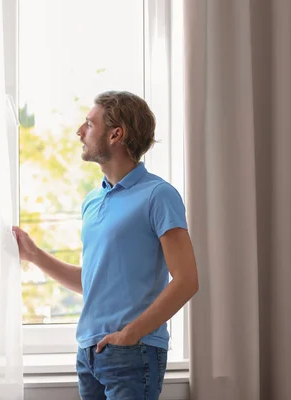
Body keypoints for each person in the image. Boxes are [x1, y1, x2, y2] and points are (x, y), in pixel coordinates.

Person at [12, 90, 199, 400]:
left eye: (89, 123)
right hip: (89, 353)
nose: (79, 132)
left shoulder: (158, 195)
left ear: (116, 134)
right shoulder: (92, 201)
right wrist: (33, 254)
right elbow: (93, 282)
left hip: (133, 351)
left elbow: (187, 280)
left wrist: (131, 334)